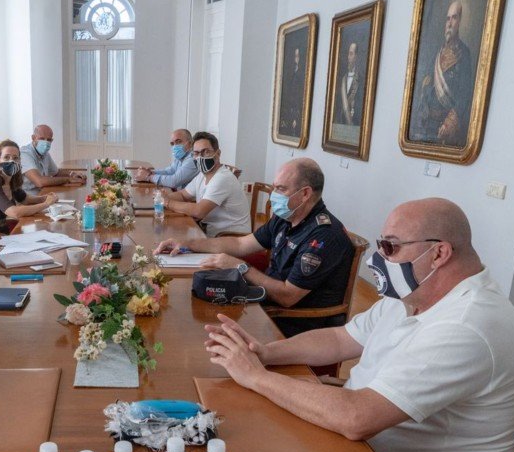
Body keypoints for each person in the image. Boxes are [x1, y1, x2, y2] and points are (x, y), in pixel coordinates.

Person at [203, 198, 514, 452]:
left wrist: (257, 376)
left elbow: (357, 417)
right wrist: (266, 352)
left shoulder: (468, 325)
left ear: (439, 254)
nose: (380, 259)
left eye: (390, 247)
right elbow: (339, 338)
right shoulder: (417, 293)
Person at [155, 158, 353, 337]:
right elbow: (240, 243)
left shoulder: (323, 237)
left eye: (281, 189)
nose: (274, 195)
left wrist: (241, 267)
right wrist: (188, 245)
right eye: (274, 188)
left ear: (305, 194)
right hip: (265, 303)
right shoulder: (286, 218)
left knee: (196, 329)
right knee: (188, 311)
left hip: (293, 326)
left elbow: (287, 296)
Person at [158, 131, 250, 238]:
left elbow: (199, 211)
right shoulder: (202, 175)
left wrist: (167, 202)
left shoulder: (223, 178)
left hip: (230, 238)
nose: (200, 157)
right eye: (196, 153)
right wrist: (161, 197)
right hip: (209, 232)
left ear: (218, 153)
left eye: (206, 152)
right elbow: (183, 195)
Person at [411, 0, 474, 146]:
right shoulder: (436, 53)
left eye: (454, 17)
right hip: (428, 124)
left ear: (460, 22)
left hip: (445, 128)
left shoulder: (464, 54)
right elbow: (425, 83)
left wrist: (448, 124)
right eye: (448, 18)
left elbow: (464, 96)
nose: (450, 23)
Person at [0, 139, 59, 232]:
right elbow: (14, 212)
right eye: (6, 157)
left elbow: (25, 199)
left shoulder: (10, 178)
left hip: (2, 230)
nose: (11, 161)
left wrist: (46, 198)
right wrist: (46, 204)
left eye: (15, 158)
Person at [20, 124, 85, 193]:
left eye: (49, 140)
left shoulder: (45, 153)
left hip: (43, 192)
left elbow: (55, 172)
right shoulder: (25, 154)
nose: (45, 142)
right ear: (33, 138)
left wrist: (72, 174)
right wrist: (68, 179)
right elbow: (39, 181)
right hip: (29, 198)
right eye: (42, 138)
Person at [133, 128, 199, 190]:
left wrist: (149, 177)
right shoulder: (181, 157)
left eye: (178, 142)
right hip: (179, 194)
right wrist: (151, 172)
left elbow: (174, 181)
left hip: (187, 200)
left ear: (190, 143)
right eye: (172, 144)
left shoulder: (192, 160)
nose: (175, 146)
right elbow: (169, 171)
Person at [336, 42, 364, 126]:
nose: (348, 57)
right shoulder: (343, 79)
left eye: (351, 54)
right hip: (340, 123)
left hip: (353, 124)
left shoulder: (360, 79)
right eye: (348, 54)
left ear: (356, 57)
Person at [280, 47, 304, 136]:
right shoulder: (291, 72)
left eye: (297, 56)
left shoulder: (301, 74)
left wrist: (296, 118)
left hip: (296, 112)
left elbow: (299, 98)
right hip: (289, 111)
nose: (296, 59)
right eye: (295, 56)